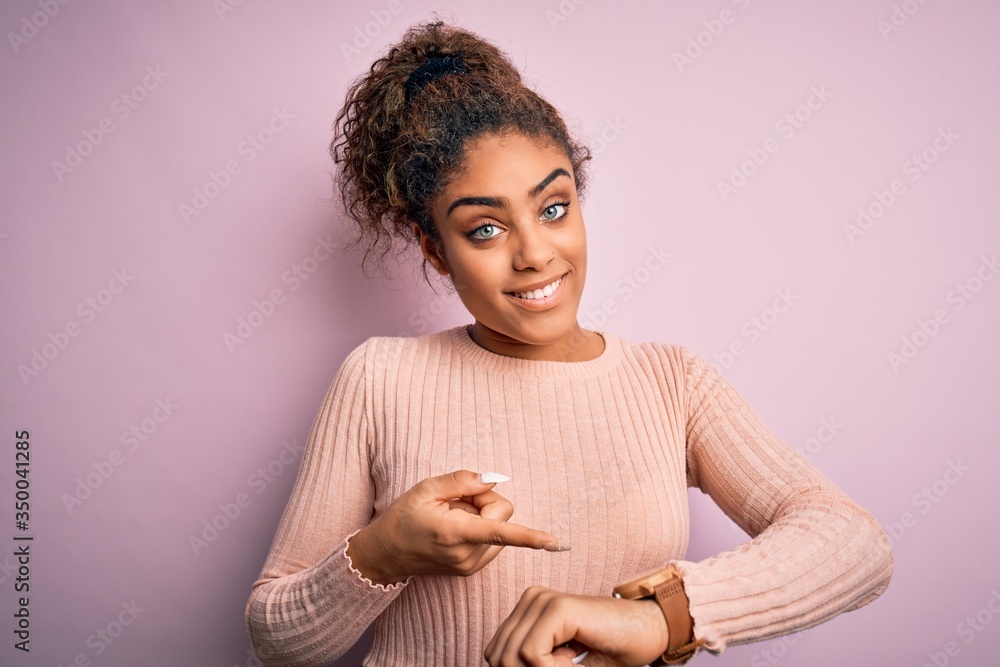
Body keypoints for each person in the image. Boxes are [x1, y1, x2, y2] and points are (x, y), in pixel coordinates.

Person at [244, 19, 893, 667]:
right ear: (435, 252)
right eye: (486, 229)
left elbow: (855, 544)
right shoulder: (378, 377)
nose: (535, 254)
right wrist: (385, 550)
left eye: (553, 208)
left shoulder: (671, 381)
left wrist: (658, 613)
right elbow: (276, 639)